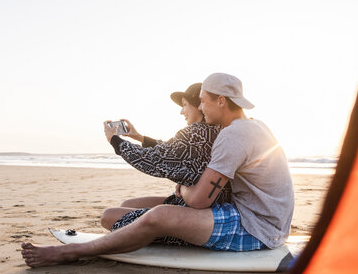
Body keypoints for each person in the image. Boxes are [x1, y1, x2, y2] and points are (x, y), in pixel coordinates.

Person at [21, 73, 294, 268]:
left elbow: (199, 199)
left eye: (202, 101)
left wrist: (183, 187)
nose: (199, 107)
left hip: (255, 226)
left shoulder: (233, 136)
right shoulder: (252, 126)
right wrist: (141, 138)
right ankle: (141, 232)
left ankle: (71, 253)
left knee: (161, 214)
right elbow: (174, 152)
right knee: (147, 209)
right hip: (264, 219)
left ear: (221, 101)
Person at [102, 83, 231, 246]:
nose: (181, 111)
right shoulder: (214, 130)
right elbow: (171, 149)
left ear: (199, 105)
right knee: (127, 206)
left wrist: (115, 140)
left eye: (184, 105)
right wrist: (138, 137)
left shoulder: (194, 132)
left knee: (108, 216)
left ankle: (154, 233)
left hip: (195, 213)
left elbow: (155, 160)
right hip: (202, 205)